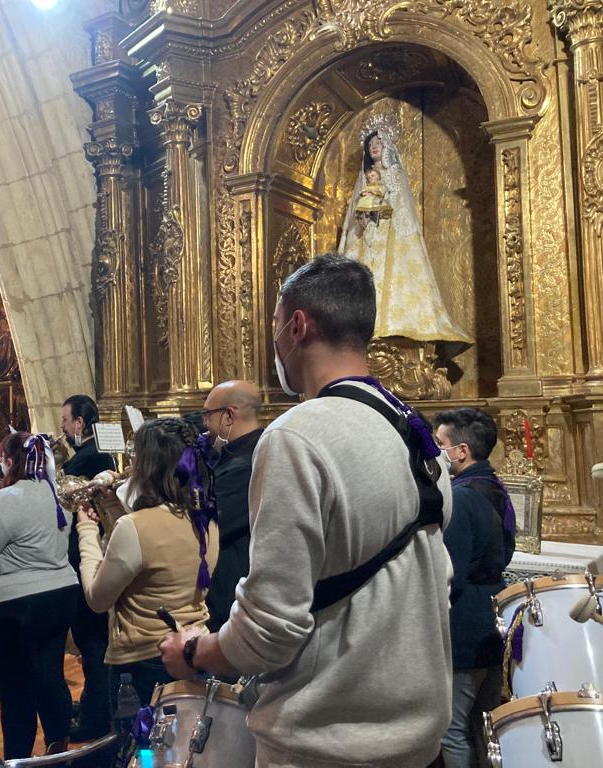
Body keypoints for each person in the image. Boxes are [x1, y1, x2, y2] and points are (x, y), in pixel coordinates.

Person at [159, 253, 454, 768]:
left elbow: (269, 632)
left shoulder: (298, 435)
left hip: (327, 746)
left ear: (297, 326)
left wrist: (192, 652)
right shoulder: (415, 431)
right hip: (419, 744)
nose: (274, 342)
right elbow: (436, 584)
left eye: (275, 325)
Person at [77, 417, 219, 710]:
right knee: (182, 749)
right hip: (193, 648)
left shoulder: (135, 527)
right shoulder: (206, 518)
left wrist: (87, 531)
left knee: (141, 755)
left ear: (148, 465)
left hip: (142, 663)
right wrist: (115, 511)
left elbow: (97, 598)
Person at [0, 432, 78, 759]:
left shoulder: (7, 498)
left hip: (14, 606)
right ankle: (58, 750)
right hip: (59, 597)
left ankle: (18, 759)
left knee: (15, 692)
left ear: (12, 460)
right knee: (50, 679)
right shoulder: (58, 496)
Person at [338, 123, 471, 350]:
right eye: (370, 145)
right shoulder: (364, 177)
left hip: (389, 232)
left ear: (386, 146)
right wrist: (360, 219)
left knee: (390, 275)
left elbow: (399, 204)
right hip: (367, 235)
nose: (374, 147)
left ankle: (390, 325)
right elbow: (356, 208)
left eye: (378, 143)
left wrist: (380, 209)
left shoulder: (394, 173)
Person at [433, 408, 516, 768]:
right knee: (484, 725)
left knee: (452, 729)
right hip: (491, 618)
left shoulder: (462, 496)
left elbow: (450, 570)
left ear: (461, 451)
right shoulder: (496, 487)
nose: (436, 453)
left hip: (464, 626)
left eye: (440, 444)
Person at [59, 394, 115, 741]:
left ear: (80, 423)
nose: (63, 427)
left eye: (66, 421)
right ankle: (96, 699)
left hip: (87, 556)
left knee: (91, 642)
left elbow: (65, 504)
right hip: (102, 551)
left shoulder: (83, 461)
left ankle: (97, 715)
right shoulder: (106, 455)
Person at [198, 380, 264, 632]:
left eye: (207, 414)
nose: (204, 424)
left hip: (229, 594)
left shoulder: (246, 463)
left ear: (228, 415)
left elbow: (207, 524)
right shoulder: (235, 456)